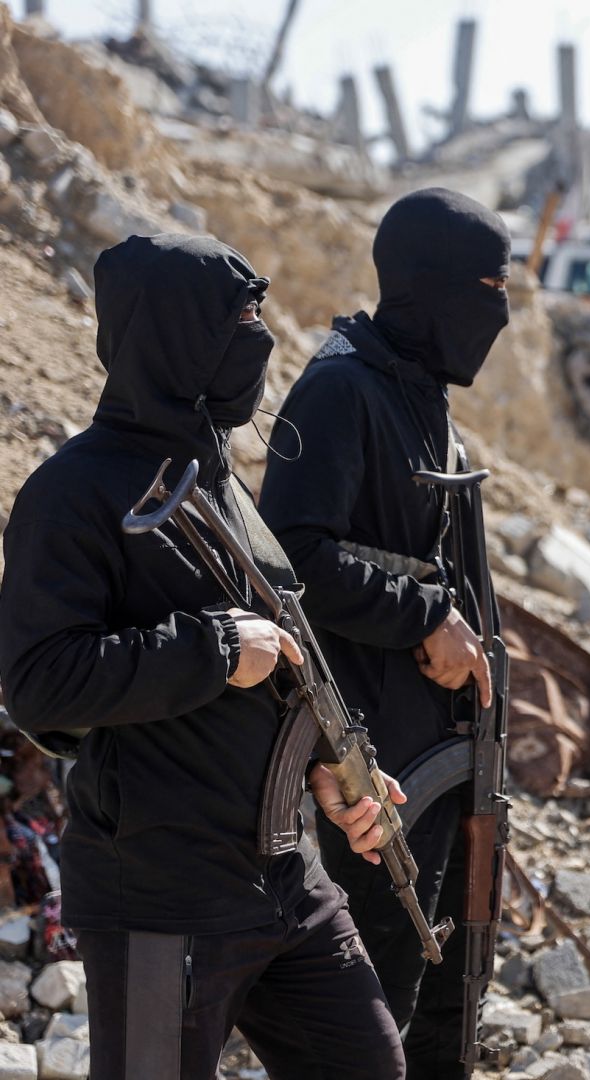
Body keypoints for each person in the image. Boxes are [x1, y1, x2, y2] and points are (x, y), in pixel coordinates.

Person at [0, 233, 406, 1080]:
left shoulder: (217, 475)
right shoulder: (72, 494)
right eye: (241, 319)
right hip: (161, 893)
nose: (259, 338)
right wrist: (212, 650)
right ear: (180, 335)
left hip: (285, 879)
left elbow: (285, 652)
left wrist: (330, 770)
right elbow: (39, 685)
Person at [259, 187, 510, 1078]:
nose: (501, 309)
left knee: (446, 987)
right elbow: (288, 559)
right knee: (376, 1004)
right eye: (487, 285)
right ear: (430, 286)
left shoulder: (416, 389)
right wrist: (425, 619)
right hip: (373, 764)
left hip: (442, 753)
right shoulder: (341, 390)